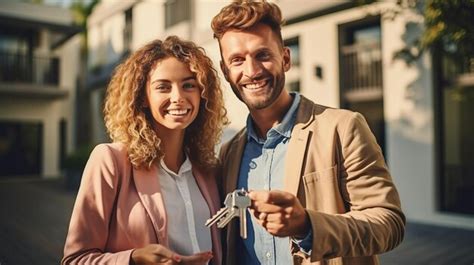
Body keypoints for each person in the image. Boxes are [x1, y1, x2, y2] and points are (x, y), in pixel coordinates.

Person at [211, 1, 405, 264]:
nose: (252, 71)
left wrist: (308, 226)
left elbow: (389, 223)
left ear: (286, 59)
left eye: (263, 55)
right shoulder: (229, 153)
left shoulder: (343, 127)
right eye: (237, 60)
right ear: (225, 71)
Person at [62, 36, 227, 265]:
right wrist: (133, 259)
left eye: (188, 85)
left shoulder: (208, 168)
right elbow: (75, 259)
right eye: (163, 87)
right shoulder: (110, 161)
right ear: (143, 98)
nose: (178, 97)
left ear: (202, 94)